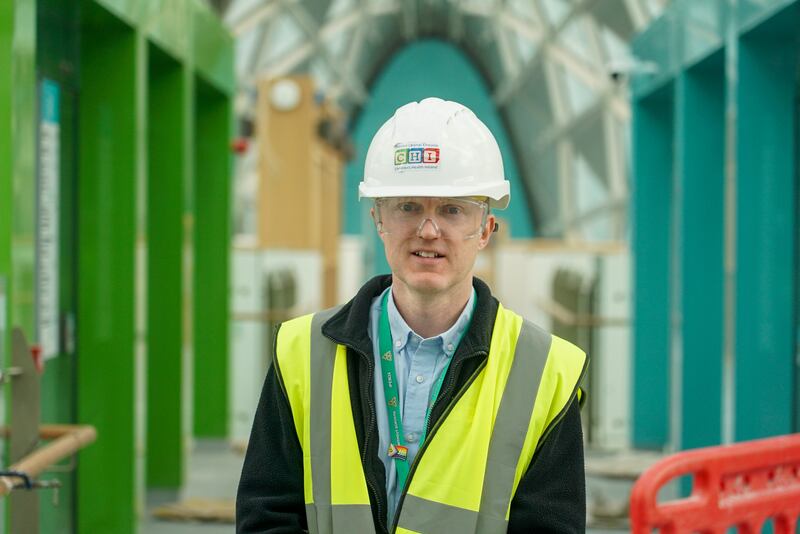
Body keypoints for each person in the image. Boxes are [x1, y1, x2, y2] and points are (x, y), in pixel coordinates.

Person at [237, 97, 588, 534]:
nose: (428, 230)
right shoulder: (302, 353)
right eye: (407, 207)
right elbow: (266, 515)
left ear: (486, 230)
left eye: (452, 209)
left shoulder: (544, 372)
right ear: (378, 220)